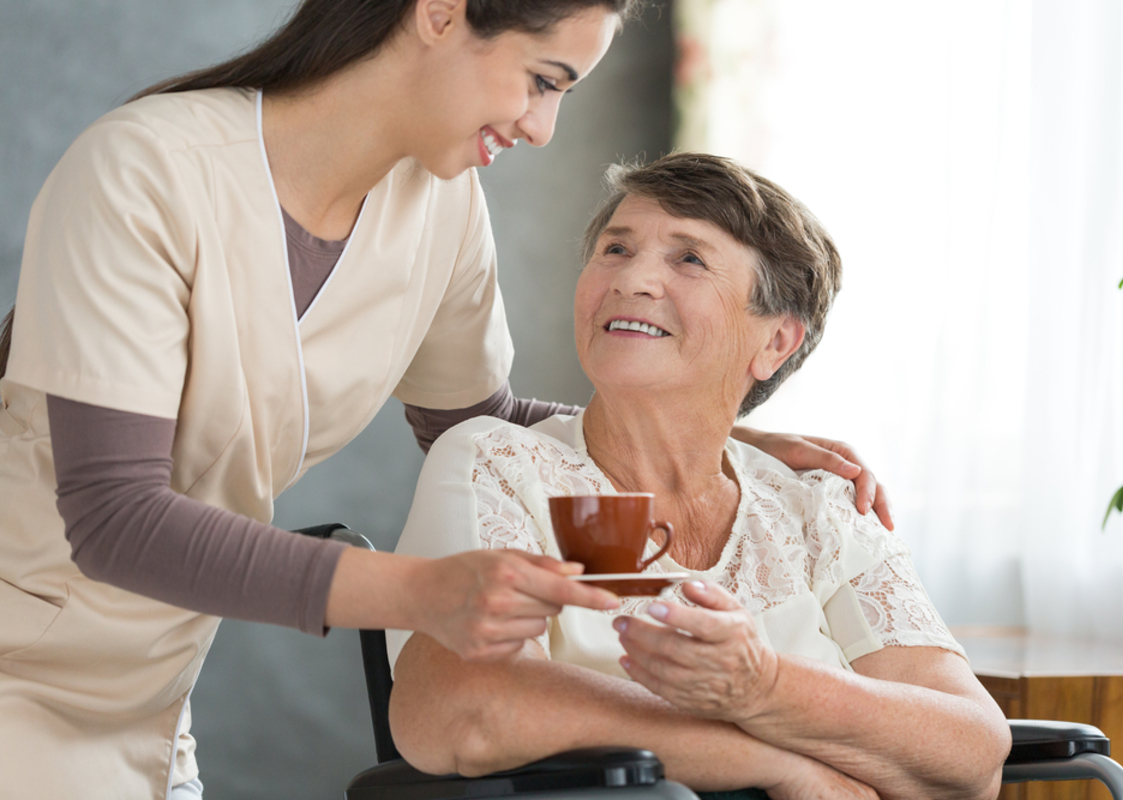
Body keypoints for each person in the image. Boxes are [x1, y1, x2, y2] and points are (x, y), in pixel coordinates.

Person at [0, 3, 894, 799]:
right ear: (439, 14)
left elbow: (472, 421)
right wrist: (421, 592)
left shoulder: (440, 206)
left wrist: (718, 441)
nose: (544, 128)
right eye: (543, 80)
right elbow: (113, 516)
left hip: (152, 691)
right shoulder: (145, 170)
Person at [387, 153, 1011, 800]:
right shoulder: (505, 468)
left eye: (688, 258)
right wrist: (781, 766)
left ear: (775, 344)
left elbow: (973, 755)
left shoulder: (815, 507)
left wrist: (765, 687)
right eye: (615, 248)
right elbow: (467, 705)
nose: (632, 278)